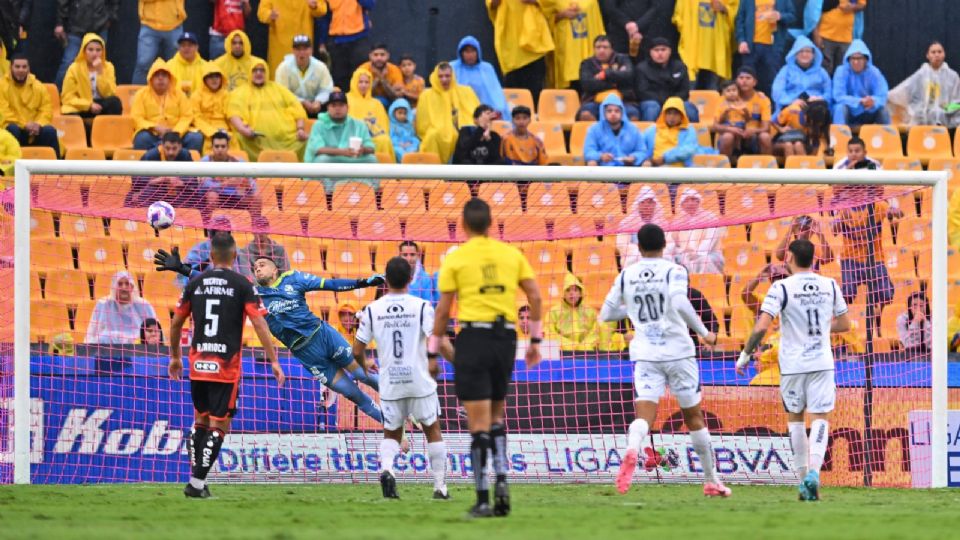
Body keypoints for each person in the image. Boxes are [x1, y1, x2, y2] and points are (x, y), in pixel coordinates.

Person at [431, 197, 543, 518]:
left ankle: (483, 499)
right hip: (506, 337)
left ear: (464, 225)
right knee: (497, 416)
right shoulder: (511, 254)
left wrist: (432, 350)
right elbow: (534, 295)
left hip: (473, 338)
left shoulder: (456, 258)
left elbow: (443, 310)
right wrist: (534, 339)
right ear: (491, 223)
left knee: (477, 424)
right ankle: (503, 482)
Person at [601, 223, 727, 497]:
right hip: (679, 353)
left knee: (644, 415)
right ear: (665, 245)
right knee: (693, 416)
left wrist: (633, 308)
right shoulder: (675, 270)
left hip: (646, 353)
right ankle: (711, 481)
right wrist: (705, 333)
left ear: (639, 247)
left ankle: (632, 449)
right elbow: (680, 303)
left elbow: (606, 314)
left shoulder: (626, 275)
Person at [168, 232, 284, 498]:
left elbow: (175, 323)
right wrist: (274, 360)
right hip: (226, 367)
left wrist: (174, 356)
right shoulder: (243, 284)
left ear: (210, 256)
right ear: (235, 255)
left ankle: (196, 480)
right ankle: (196, 484)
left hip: (198, 364)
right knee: (220, 425)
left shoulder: (195, 282)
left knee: (200, 421)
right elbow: (259, 323)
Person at [736, 238, 852, 501]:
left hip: (792, 366)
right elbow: (845, 324)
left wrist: (744, 356)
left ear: (789, 257)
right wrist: (823, 327)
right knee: (821, 418)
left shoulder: (781, 287)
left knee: (796, 420)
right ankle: (814, 473)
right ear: (813, 259)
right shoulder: (830, 285)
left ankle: (803, 481)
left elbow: (762, 326)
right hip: (821, 362)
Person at [354, 256, 453, 500]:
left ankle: (387, 469)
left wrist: (365, 366)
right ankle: (440, 488)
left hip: (391, 382)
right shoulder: (421, 307)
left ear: (385, 280)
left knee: (392, 433)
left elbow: (357, 350)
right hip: (419, 380)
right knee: (432, 430)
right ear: (411, 278)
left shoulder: (372, 310)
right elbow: (437, 341)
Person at [830, 170, 902, 334]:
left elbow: (892, 213)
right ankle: (841, 323)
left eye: (861, 189)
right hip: (851, 260)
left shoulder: (877, 206)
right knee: (847, 293)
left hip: (874, 259)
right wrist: (837, 223)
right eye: (854, 190)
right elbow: (834, 230)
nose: (857, 193)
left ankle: (879, 318)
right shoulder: (845, 210)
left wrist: (895, 212)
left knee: (886, 293)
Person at [228, 60, 308, 161]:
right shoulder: (239, 92)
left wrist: (300, 128)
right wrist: (243, 130)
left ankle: (300, 175)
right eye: (255, 70)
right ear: (249, 73)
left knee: (304, 141)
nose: (258, 73)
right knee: (239, 138)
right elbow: (234, 113)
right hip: (253, 140)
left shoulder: (279, 89)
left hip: (285, 138)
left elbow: (297, 108)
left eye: (262, 70)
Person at [486, 0, 554, 104]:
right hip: (511, 49)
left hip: (534, 47)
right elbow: (492, 4)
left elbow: (551, 5)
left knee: (535, 94)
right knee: (514, 97)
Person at [415, 62, 480, 164]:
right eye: (440, 76)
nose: (444, 79)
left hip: (463, 131)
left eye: (447, 76)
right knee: (432, 136)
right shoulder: (426, 95)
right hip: (437, 134)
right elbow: (422, 125)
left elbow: (476, 115)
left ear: (452, 76)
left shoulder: (466, 91)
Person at [127, 132, 209, 213]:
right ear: (162, 146)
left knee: (197, 198)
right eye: (167, 148)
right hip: (154, 191)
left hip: (177, 193)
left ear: (180, 146)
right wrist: (158, 180)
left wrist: (182, 182)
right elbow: (136, 177)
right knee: (136, 196)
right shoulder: (151, 155)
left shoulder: (185, 155)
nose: (171, 152)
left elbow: (193, 179)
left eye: (174, 148)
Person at [131, 59, 202, 152]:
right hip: (153, 135)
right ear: (151, 79)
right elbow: (137, 117)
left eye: (164, 75)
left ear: (169, 78)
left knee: (196, 138)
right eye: (157, 75)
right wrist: (155, 127)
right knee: (142, 138)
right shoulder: (141, 94)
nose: (160, 78)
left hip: (177, 135)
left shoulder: (179, 94)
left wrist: (176, 132)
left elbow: (187, 116)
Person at [887, 42, 960, 129]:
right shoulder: (920, 75)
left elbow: (958, 103)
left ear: (944, 54)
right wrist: (885, 96)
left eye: (939, 52)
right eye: (933, 52)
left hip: (946, 119)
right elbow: (904, 90)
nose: (937, 55)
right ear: (927, 55)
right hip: (922, 119)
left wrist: (944, 110)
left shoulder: (953, 77)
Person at [549, 272, 624, 353]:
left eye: (575, 290)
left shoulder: (590, 312)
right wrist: (569, 345)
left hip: (586, 352)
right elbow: (549, 333)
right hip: (563, 352)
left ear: (581, 293)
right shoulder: (554, 312)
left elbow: (596, 332)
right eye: (568, 290)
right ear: (563, 293)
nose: (571, 293)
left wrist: (584, 345)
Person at [304, 90, 377, 173]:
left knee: (371, 159)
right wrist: (343, 152)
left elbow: (371, 148)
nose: (337, 108)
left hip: (353, 162)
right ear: (328, 108)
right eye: (333, 105)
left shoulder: (359, 125)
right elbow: (319, 149)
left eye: (341, 105)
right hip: (331, 161)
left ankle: (371, 186)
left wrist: (363, 150)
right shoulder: (319, 125)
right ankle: (327, 186)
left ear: (348, 107)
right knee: (322, 160)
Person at [734, 0, 797, 96]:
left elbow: (792, 16)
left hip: (773, 46)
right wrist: (741, 40)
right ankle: (746, 106)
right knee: (746, 80)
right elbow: (740, 19)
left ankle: (773, 107)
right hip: (750, 46)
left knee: (773, 79)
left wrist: (780, 16)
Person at [2, 56, 60, 157]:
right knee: (12, 129)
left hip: (35, 130)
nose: (21, 70)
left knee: (49, 131)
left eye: (24, 67)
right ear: (11, 68)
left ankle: (58, 170)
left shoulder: (39, 87)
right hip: (15, 129)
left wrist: (38, 124)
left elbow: (46, 109)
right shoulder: (1, 86)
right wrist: (24, 125)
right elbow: (4, 112)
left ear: (29, 69)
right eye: (17, 67)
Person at [543, 0, 606, 90]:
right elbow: (543, 21)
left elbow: (597, 25)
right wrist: (562, 15)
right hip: (565, 52)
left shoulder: (592, 2)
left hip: (586, 51)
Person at [673, 0, 737, 88]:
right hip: (694, 46)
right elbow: (678, 16)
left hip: (715, 47)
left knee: (713, 91)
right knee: (690, 89)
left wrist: (724, 9)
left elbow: (738, 12)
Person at [53, 0, 117, 88]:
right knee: (68, 63)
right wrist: (60, 22)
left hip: (100, 27)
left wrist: (111, 17)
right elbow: (63, 2)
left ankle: (99, 97)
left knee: (99, 64)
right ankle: (55, 95)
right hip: (77, 27)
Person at [634, 37, 699, 122]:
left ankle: (693, 134)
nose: (660, 53)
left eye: (663, 50)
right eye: (656, 50)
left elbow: (685, 91)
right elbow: (642, 92)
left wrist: (672, 102)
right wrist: (664, 101)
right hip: (653, 102)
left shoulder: (680, 67)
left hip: (676, 101)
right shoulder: (642, 68)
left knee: (690, 108)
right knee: (651, 108)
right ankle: (648, 134)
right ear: (650, 52)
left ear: (670, 51)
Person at [84, 270, 158, 344]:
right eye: (120, 284)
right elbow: (91, 335)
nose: (124, 287)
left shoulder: (144, 305)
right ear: (114, 287)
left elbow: (156, 333)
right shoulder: (103, 304)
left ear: (132, 287)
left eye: (127, 283)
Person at [256, 0, 326, 77]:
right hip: (279, 45)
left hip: (302, 43)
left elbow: (322, 9)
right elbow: (261, 12)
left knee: (303, 78)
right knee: (280, 77)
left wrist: (315, 6)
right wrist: (269, 14)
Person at [60, 33, 122, 119]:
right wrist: (89, 105)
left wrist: (100, 72)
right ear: (84, 51)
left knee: (115, 102)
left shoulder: (108, 67)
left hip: (100, 105)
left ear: (103, 51)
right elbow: (67, 97)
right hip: (82, 105)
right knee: (69, 112)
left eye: (98, 50)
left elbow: (109, 93)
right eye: (90, 50)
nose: (94, 53)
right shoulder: (74, 68)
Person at [576, 35, 638, 121]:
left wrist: (606, 74)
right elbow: (587, 84)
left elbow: (629, 76)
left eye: (605, 47)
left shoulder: (623, 59)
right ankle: (596, 134)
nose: (601, 50)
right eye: (598, 47)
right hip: (594, 101)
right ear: (594, 49)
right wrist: (615, 83)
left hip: (623, 101)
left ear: (612, 49)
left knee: (633, 115)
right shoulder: (586, 64)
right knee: (586, 114)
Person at [200, 131, 260, 216]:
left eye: (223, 146)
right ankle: (209, 228)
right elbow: (203, 185)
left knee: (256, 197)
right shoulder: (205, 161)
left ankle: (255, 227)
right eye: (217, 146)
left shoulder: (239, 162)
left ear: (228, 147)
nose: (220, 149)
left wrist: (244, 183)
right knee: (212, 196)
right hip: (216, 196)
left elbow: (252, 184)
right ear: (212, 147)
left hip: (236, 196)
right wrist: (226, 184)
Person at [832, 40, 889, 128]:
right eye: (853, 58)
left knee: (883, 110)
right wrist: (859, 101)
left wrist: (873, 101)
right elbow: (838, 95)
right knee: (840, 108)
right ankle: (840, 138)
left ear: (866, 59)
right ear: (848, 59)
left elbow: (882, 94)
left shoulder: (874, 72)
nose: (856, 62)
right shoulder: (841, 71)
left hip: (868, 112)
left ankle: (887, 139)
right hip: (849, 112)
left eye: (859, 58)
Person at [665, 188, 724, 274]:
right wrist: (681, 252)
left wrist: (697, 254)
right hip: (685, 256)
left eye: (693, 199)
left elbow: (709, 242)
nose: (690, 203)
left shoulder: (710, 218)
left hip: (709, 254)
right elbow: (671, 243)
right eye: (687, 200)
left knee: (702, 260)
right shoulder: (677, 221)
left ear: (698, 202)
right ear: (682, 204)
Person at [451, 36, 510, 119]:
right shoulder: (453, 67)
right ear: (461, 53)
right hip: (461, 112)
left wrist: (497, 110)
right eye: (466, 51)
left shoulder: (487, 68)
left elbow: (495, 92)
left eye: (473, 51)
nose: (470, 55)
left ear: (478, 52)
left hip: (486, 112)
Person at [275, 34, 333, 117]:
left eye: (305, 49)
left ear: (311, 50)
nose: (302, 53)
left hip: (316, 106)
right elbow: (282, 92)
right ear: (293, 51)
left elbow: (327, 89)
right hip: (292, 107)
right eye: (298, 49)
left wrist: (318, 101)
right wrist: (302, 102)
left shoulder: (320, 67)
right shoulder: (283, 68)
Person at [771, 36, 833, 114]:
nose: (804, 54)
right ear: (795, 54)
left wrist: (820, 98)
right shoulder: (786, 70)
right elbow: (777, 91)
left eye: (808, 51)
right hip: (791, 106)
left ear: (814, 55)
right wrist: (791, 101)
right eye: (801, 51)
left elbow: (829, 91)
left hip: (816, 107)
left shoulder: (821, 71)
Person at [584, 93, 647, 166]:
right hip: (603, 169)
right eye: (609, 111)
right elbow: (588, 152)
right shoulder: (594, 129)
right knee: (591, 162)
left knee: (646, 163)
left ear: (622, 113)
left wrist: (633, 157)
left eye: (617, 111)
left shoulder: (633, 129)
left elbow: (642, 151)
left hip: (628, 169)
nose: (613, 114)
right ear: (603, 113)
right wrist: (600, 156)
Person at [132, 0, 186, 85]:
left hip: (174, 23)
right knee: (143, 64)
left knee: (178, 65)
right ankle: (137, 96)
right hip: (149, 25)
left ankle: (178, 96)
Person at [327, 0, 376, 91]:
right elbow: (323, 14)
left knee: (360, 75)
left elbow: (371, 4)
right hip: (337, 39)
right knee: (339, 76)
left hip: (359, 37)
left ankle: (360, 102)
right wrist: (322, 41)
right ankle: (341, 103)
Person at [807, 0, 867, 75]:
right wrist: (816, 35)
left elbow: (862, 5)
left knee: (844, 71)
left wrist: (853, 7)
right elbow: (812, 11)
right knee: (824, 71)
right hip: (825, 36)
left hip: (847, 38)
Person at [347, 67, 395, 161]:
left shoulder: (376, 103)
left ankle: (386, 173)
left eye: (367, 82)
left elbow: (383, 126)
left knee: (384, 140)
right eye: (360, 82)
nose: (364, 85)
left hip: (374, 137)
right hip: (353, 137)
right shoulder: (347, 99)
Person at [616, 185, 669, 267]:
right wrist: (643, 251)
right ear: (638, 204)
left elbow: (670, 243)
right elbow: (622, 245)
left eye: (650, 202)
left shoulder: (662, 222)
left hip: (659, 255)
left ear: (655, 204)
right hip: (636, 256)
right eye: (643, 202)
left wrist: (656, 251)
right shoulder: (627, 222)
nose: (646, 205)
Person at [640, 96, 699, 168]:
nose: (672, 117)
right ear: (664, 114)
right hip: (655, 167)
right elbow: (640, 147)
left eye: (676, 113)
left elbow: (689, 149)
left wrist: (665, 158)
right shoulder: (652, 130)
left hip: (681, 169)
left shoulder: (688, 130)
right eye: (669, 113)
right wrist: (647, 160)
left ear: (682, 115)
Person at [191, 65, 237, 154]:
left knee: (233, 142)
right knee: (209, 146)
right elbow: (196, 117)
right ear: (205, 79)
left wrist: (234, 130)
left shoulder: (226, 95)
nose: (214, 80)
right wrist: (211, 131)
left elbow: (231, 114)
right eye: (210, 77)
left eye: (217, 76)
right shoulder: (196, 95)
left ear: (221, 79)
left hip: (224, 128)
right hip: (204, 130)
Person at [359, 43, 404, 107]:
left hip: (390, 101)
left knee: (401, 102)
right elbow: (361, 94)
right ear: (370, 56)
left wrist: (383, 80)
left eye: (382, 55)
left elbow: (397, 95)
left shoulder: (394, 69)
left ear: (388, 56)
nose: (379, 58)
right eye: (375, 55)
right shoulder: (363, 69)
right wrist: (377, 78)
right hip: (367, 101)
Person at [166, 32, 206, 97]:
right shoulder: (168, 66)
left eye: (190, 45)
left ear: (197, 47)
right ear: (178, 48)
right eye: (183, 45)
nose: (186, 48)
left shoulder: (206, 67)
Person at [388, 98, 419, 163]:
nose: (402, 116)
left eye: (405, 113)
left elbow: (412, 136)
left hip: (408, 144)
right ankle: (406, 162)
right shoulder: (391, 125)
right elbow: (391, 137)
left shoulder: (408, 125)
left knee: (415, 147)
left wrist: (410, 142)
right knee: (398, 150)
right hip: (398, 145)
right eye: (400, 113)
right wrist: (399, 143)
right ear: (393, 112)